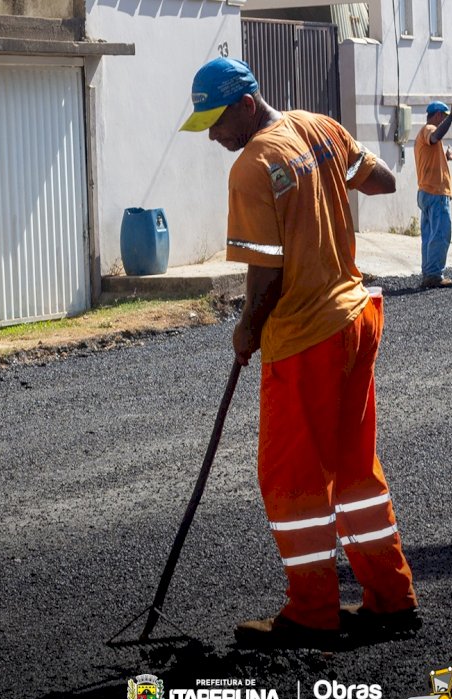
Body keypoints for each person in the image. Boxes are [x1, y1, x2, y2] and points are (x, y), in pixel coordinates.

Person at [180, 58, 420, 649]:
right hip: (356, 318)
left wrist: (245, 332)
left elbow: (267, 276)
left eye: (217, 122)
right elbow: (384, 180)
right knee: (355, 469)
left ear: (244, 102)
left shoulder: (253, 166)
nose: (214, 136)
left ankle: (313, 612)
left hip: (306, 336)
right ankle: (390, 599)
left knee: (290, 476)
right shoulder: (318, 127)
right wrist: (324, 185)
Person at [414, 99, 452, 288]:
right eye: (442, 117)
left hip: (427, 192)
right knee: (440, 233)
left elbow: (432, 157)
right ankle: (434, 274)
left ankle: (429, 273)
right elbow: (436, 136)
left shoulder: (427, 137)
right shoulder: (428, 130)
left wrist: (448, 157)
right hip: (435, 192)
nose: (443, 121)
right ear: (436, 115)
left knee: (429, 235)